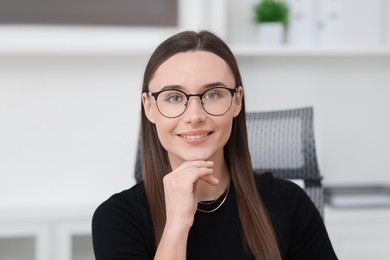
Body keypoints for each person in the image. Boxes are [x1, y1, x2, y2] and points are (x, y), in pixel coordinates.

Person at [92, 30, 338, 260]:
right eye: (174, 97)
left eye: (213, 94)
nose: (195, 115)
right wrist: (177, 225)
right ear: (149, 107)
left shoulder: (290, 203)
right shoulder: (117, 218)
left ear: (237, 101)